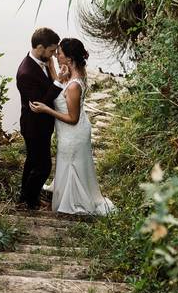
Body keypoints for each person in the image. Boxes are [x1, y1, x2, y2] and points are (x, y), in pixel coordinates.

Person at [29, 38, 115, 216]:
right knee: (69, 163)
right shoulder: (75, 73)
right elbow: (61, 86)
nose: (56, 55)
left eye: (58, 53)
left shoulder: (74, 85)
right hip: (70, 132)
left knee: (72, 165)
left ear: (68, 58)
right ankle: (66, 195)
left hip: (73, 131)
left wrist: (46, 110)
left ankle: (75, 203)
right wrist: (53, 67)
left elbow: (72, 118)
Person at [16, 27, 64, 210]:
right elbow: (40, 104)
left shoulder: (40, 62)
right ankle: (29, 202)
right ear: (40, 47)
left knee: (32, 162)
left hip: (40, 125)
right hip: (34, 126)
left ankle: (26, 197)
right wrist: (58, 82)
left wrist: (52, 71)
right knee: (43, 166)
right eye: (51, 50)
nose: (53, 54)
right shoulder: (26, 72)